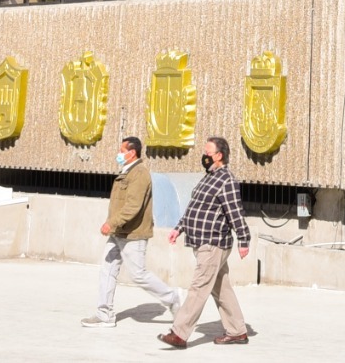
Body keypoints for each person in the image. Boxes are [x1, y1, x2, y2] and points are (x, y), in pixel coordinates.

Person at [162, 135, 251, 348]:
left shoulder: (227, 180)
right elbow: (195, 207)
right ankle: (237, 331)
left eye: (207, 153)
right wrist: (179, 228)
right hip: (201, 241)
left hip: (213, 243)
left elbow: (235, 211)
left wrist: (244, 239)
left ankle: (179, 333)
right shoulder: (208, 177)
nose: (204, 156)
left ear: (219, 156)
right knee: (221, 288)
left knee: (198, 287)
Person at [86, 135, 183, 327]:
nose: (119, 154)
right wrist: (114, 225)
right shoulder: (127, 172)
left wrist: (111, 223)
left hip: (133, 233)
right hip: (119, 232)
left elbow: (133, 206)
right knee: (107, 269)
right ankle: (104, 314)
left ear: (132, 153)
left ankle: (172, 297)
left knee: (138, 274)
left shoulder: (139, 174)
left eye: (122, 151)